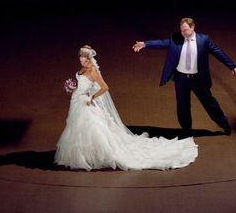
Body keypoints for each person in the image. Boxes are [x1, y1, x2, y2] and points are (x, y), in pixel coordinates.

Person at [54, 45, 198, 171]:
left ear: (89, 59)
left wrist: (91, 97)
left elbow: (104, 87)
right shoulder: (83, 68)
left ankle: (97, 156)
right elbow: (82, 83)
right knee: (77, 129)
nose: (82, 61)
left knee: (94, 129)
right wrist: (73, 88)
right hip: (77, 102)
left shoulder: (92, 71)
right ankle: (83, 155)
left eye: (84, 60)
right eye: (80, 59)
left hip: (86, 104)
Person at [132, 17, 236, 137]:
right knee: (182, 106)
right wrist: (145, 44)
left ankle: (223, 122)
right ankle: (186, 131)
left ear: (193, 27)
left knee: (209, 103)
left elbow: (217, 51)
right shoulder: (176, 38)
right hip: (181, 79)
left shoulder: (203, 40)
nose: (183, 33)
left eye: (186, 30)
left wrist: (231, 65)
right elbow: (161, 43)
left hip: (198, 79)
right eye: (181, 30)